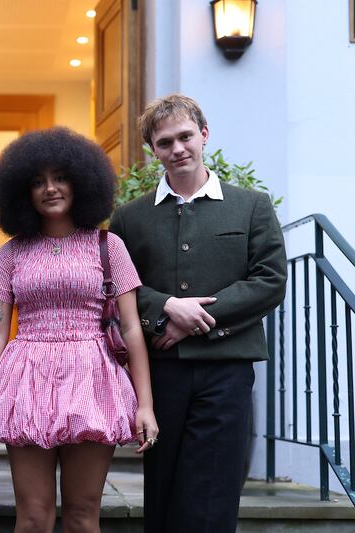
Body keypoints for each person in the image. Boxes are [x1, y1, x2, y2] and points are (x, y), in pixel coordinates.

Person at [109, 93, 287, 532]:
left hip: (226, 370)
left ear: (204, 135)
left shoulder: (252, 205)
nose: (178, 149)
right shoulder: (129, 219)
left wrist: (197, 320)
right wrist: (165, 307)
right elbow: (115, 288)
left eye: (186, 136)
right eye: (165, 142)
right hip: (160, 373)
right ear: (154, 151)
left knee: (212, 494)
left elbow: (269, 281)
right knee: (164, 494)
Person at [0, 127, 158, 533]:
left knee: (82, 515)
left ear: (81, 181)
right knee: (33, 517)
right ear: (22, 191)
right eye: (37, 182)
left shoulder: (109, 246)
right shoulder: (12, 252)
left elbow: (131, 327)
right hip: (27, 379)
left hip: (93, 378)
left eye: (59, 178)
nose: (49, 189)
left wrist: (145, 404)